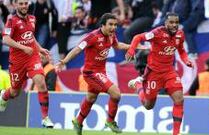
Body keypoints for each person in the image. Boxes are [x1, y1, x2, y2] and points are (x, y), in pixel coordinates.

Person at [55, 13, 145, 135]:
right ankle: (110, 121)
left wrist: (133, 46)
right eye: (110, 25)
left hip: (100, 72)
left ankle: (78, 121)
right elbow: (77, 49)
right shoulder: (92, 36)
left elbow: (117, 45)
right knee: (116, 94)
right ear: (102, 25)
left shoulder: (111, 35)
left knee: (91, 98)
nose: (113, 28)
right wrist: (64, 61)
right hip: (91, 73)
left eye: (115, 25)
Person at [125, 12, 194, 135]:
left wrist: (186, 60)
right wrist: (131, 50)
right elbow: (137, 37)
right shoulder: (157, 33)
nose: (174, 25)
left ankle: (176, 133)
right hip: (153, 73)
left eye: (176, 23)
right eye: (171, 22)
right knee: (148, 106)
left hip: (169, 72)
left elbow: (182, 51)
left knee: (179, 99)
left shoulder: (180, 34)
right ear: (166, 23)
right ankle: (139, 86)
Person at [0, 0, 54, 128]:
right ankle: (3, 95)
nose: (24, 6)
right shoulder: (11, 21)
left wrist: (40, 49)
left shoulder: (32, 18)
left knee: (41, 82)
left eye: (26, 3)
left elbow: (30, 37)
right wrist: (22, 48)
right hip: (17, 62)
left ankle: (45, 118)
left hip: (32, 58)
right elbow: (5, 39)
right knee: (14, 92)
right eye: (21, 3)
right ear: (15, 5)